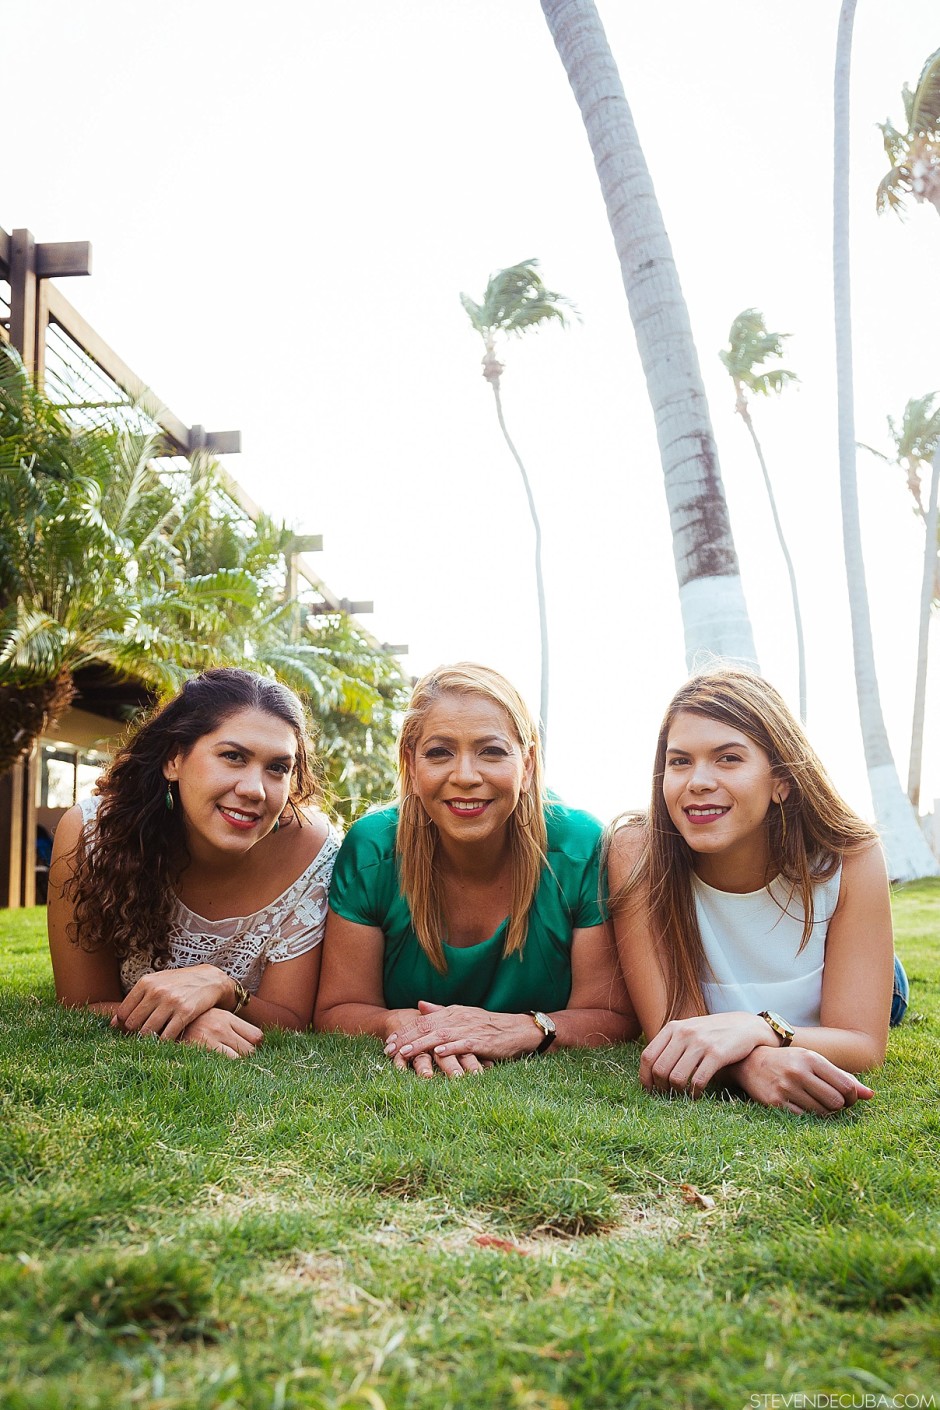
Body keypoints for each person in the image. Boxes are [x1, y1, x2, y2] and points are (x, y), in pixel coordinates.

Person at [607, 666, 908, 1116]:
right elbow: (678, 1033)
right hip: (773, 1023)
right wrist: (754, 1065)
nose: (698, 781)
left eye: (728, 758)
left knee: (892, 995)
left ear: (782, 780)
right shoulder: (637, 852)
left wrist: (757, 1027)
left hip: (835, 971)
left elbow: (863, 1043)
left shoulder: (851, 855)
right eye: (679, 760)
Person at [315, 662, 636, 1075]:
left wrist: (525, 1029)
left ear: (529, 765)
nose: (465, 776)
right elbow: (338, 1008)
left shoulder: (577, 846)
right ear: (411, 766)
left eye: (492, 751)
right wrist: (407, 1025)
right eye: (439, 752)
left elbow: (610, 1015)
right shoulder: (373, 849)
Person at [48, 668, 339, 1058]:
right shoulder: (94, 833)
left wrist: (221, 987)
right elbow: (81, 1003)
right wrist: (187, 1023)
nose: (254, 790)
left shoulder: (313, 852)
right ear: (174, 759)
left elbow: (290, 1018)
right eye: (233, 757)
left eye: (277, 768)